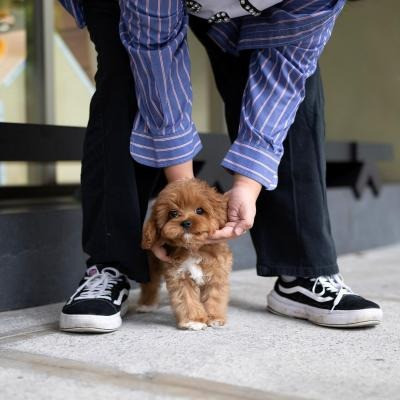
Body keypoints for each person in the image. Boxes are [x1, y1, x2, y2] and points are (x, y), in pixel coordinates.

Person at [58, 0, 382, 333]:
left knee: (294, 86)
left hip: (261, 13)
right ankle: (110, 265)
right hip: (140, 11)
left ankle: (302, 270)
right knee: (126, 67)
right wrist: (182, 194)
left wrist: (248, 185)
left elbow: (282, 78)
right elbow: (155, 55)